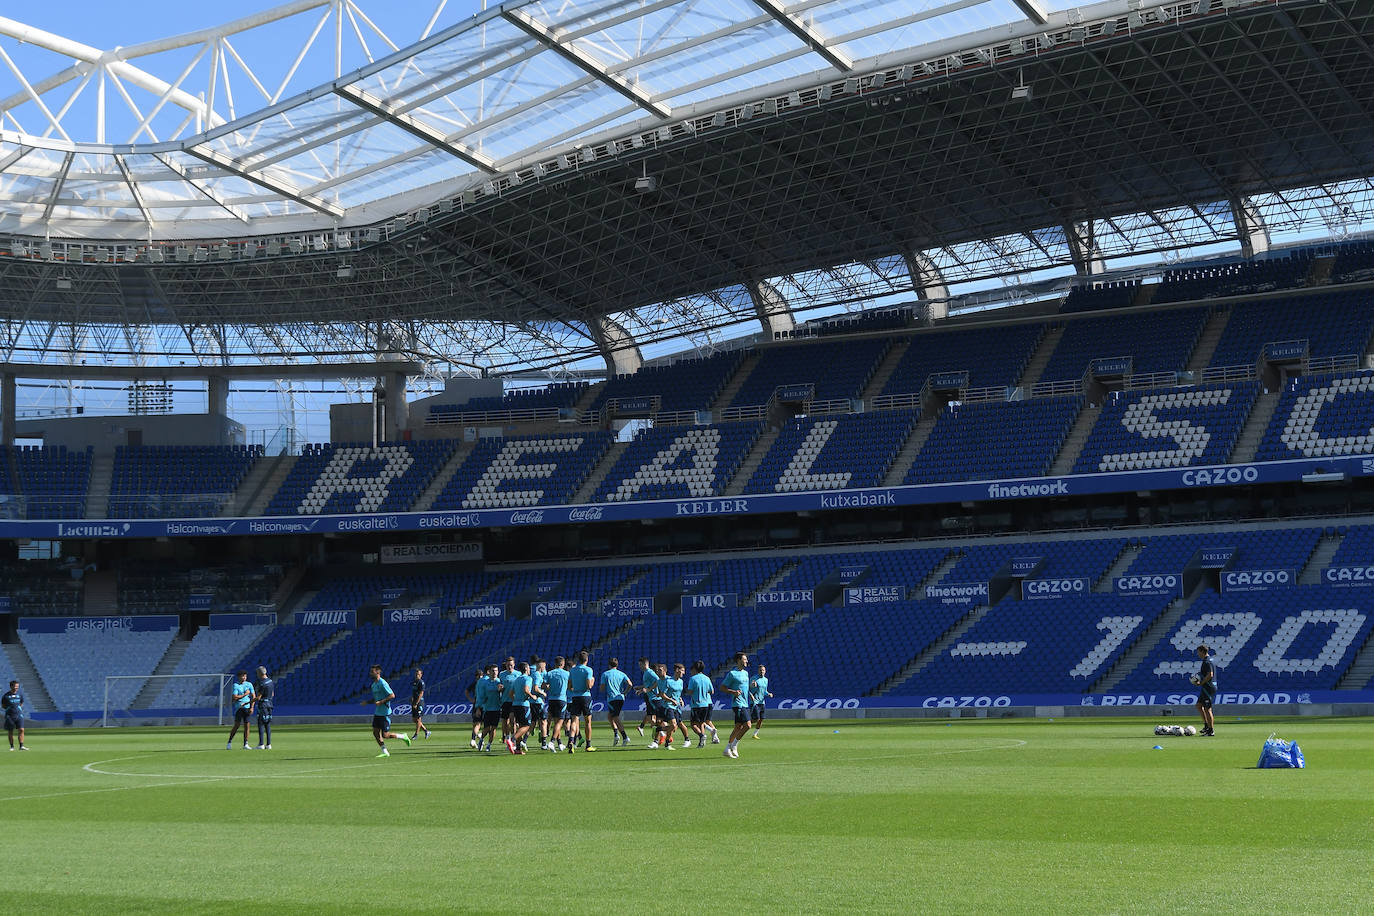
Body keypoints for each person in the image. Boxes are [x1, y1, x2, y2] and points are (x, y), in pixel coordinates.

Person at [363, 665, 412, 758]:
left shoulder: (383, 683)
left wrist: (381, 702)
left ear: (378, 672)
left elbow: (392, 695)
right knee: (375, 733)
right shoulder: (373, 685)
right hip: (378, 712)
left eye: (372, 671)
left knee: (385, 735)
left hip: (385, 712)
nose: (370, 673)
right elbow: (376, 699)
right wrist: (368, 702)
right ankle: (385, 752)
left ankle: (403, 736)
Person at [719, 652, 752, 759]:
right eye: (744, 659)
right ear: (738, 660)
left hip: (745, 702)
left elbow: (744, 687)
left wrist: (750, 694)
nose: (746, 661)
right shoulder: (732, 674)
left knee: (738, 726)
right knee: (748, 725)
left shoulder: (746, 673)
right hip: (737, 703)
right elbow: (722, 688)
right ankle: (734, 745)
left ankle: (727, 749)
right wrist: (733, 692)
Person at [506, 661, 542, 754]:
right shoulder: (528, 678)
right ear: (526, 669)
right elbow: (526, 690)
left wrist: (516, 699)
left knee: (521, 726)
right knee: (527, 725)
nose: (530, 670)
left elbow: (510, 694)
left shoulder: (517, 679)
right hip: (523, 705)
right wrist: (532, 696)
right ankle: (512, 740)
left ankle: (518, 749)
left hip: (515, 705)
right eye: (529, 668)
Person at [566, 651, 596, 753]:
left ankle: (571, 741)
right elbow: (589, 686)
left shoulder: (573, 670)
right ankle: (588, 745)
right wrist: (593, 680)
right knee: (588, 721)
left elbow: (569, 686)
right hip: (585, 697)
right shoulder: (588, 670)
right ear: (587, 660)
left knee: (574, 720)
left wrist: (575, 689)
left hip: (575, 697)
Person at [685, 661, 719, 747]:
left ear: (695, 669)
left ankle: (702, 736)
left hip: (696, 704)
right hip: (706, 704)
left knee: (693, 725)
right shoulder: (707, 678)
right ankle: (701, 742)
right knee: (702, 723)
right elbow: (712, 691)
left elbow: (690, 691)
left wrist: (688, 691)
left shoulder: (693, 679)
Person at [600, 658, 631, 746]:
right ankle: (616, 735)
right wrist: (625, 692)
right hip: (620, 698)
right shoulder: (622, 674)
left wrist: (604, 687)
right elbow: (630, 684)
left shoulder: (605, 674)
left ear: (609, 665)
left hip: (612, 698)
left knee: (615, 717)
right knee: (610, 716)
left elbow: (602, 689)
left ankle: (625, 737)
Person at [544, 656, 570, 752]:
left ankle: (559, 743)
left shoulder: (549, 673)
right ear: (562, 664)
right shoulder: (567, 674)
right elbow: (571, 686)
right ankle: (552, 742)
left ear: (555, 664)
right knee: (560, 722)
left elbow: (544, 685)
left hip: (551, 699)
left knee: (555, 723)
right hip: (561, 699)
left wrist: (550, 687)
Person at [476, 664, 503, 752]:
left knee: (494, 728)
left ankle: (489, 745)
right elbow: (482, 696)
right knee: (487, 728)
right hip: (487, 708)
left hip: (497, 708)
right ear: (489, 672)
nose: (494, 672)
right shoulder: (485, 683)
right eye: (493, 671)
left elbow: (503, 695)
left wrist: (501, 691)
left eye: (496, 670)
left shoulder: (499, 682)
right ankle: (481, 739)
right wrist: (478, 707)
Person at [226, 670, 255, 750]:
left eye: (245, 676)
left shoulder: (249, 684)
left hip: (247, 708)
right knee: (237, 725)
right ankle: (229, 742)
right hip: (239, 708)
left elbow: (253, 696)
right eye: (243, 676)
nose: (244, 677)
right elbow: (234, 697)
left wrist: (252, 707)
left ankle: (246, 743)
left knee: (247, 726)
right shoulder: (236, 685)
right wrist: (244, 695)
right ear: (239, 677)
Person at [1194, 645, 1217, 737]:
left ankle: (1211, 731)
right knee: (1199, 705)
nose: (1198, 654)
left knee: (1208, 709)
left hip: (1209, 687)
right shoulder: (1209, 660)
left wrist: (1201, 682)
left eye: (1198, 652)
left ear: (1202, 651)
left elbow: (1210, 675)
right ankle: (1206, 726)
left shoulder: (1207, 661)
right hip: (1206, 687)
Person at [636, 657, 660, 738]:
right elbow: (647, 685)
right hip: (651, 698)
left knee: (657, 717)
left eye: (640, 665)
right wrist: (640, 689)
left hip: (655, 698)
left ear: (645, 664)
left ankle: (661, 732)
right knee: (651, 716)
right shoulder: (646, 673)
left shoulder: (649, 672)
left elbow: (658, 680)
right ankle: (657, 733)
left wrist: (649, 689)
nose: (639, 667)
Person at [529, 656, 549, 750]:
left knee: (533, 722)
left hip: (534, 701)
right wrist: (543, 692)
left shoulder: (535, 673)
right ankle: (544, 743)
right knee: (543, 721)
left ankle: (523, 741)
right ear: (541, 666)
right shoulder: (537, 674)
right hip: (538, 702)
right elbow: (536, 688)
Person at [749, 664, 773, 739]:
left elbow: (764, 691)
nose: (762, 671)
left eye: (763, 670)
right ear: (758, 671)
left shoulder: (766, 680)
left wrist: (768, 694)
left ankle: (755, 734)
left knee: (761, 719)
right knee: (756, 719)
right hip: (755, 702)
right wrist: (752, 687)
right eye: (760, 670)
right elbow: (748, 689)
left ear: (765, 671)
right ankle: (745, 724)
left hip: (762, 702)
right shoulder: (754, 678)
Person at [253, 666, 275, 750]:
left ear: (259, 673)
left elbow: (258, 697)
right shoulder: (270, 681)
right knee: (268, 724)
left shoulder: (262, 683)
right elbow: (272, 694)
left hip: (263, 705)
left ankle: (261, 744)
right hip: (270, 704)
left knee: (261, 724)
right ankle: (268, 744)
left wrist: (248, 702)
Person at [2, 680, 26, 751]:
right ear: (11, 686)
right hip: (10, 716)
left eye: (17, 687)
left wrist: (18, 710)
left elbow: (21, 703)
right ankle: (12, 747)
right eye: (15, 686)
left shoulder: (20, 694)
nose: (16, 688)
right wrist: (10, 710)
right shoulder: (6, 696)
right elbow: (3, 705)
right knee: (10, 731)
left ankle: (21, 746)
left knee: (21, 729)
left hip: (19, 715)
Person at [466, 666, 484, 749]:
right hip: (479, 704)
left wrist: (471, 699)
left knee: (475, 724)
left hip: (477, 704)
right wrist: (471, 699)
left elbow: (466, 691)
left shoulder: (477, 683)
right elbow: (467, 691)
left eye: (481, 675)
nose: (480, 677)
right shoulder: (479, 683)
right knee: (478, 724)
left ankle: (477, 737)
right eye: (478, 675)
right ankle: (474, 739)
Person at [410, 668, 431, 740]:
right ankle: (426, 731)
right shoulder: (414, 682)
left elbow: (421, 693)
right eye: (416, 674)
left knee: (418, 719)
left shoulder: (421, 683)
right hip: (414, 702)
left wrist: (416, 703)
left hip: (419, 702)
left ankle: (416, 735)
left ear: (421, 675)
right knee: (414, 719)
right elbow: (414, 692)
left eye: (418, 674)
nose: (417, 676)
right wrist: (412, 699)